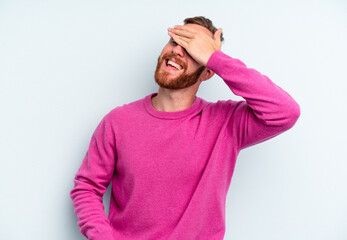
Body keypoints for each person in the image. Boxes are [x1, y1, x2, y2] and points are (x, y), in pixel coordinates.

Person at [70, 16, 300, 240]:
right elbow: (86, 188)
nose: (178, 51)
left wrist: (216, 58)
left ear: (208, 71)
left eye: (192, 49)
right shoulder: (117, 121)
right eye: (175, 41)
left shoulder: (226, 123)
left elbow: (285, 112)